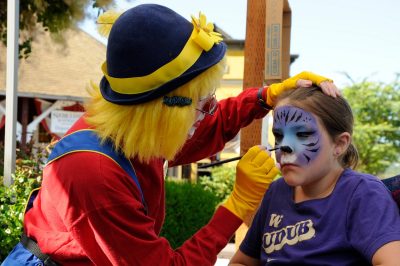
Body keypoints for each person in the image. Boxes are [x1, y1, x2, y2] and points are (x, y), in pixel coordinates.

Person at [2, 4, 338, 266]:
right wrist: (236, 206)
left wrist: (265, 97)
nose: (209, 112)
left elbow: (211, 127)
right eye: (202, 103)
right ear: (163, 109)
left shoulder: (137, 129)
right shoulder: (94, 174)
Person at [229, 87, 400, 266]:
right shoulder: (276, 192)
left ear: (340, 144)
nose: (284, 146)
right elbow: (241, 263)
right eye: (278, 135)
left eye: (302, 134)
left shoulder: (363, 193)